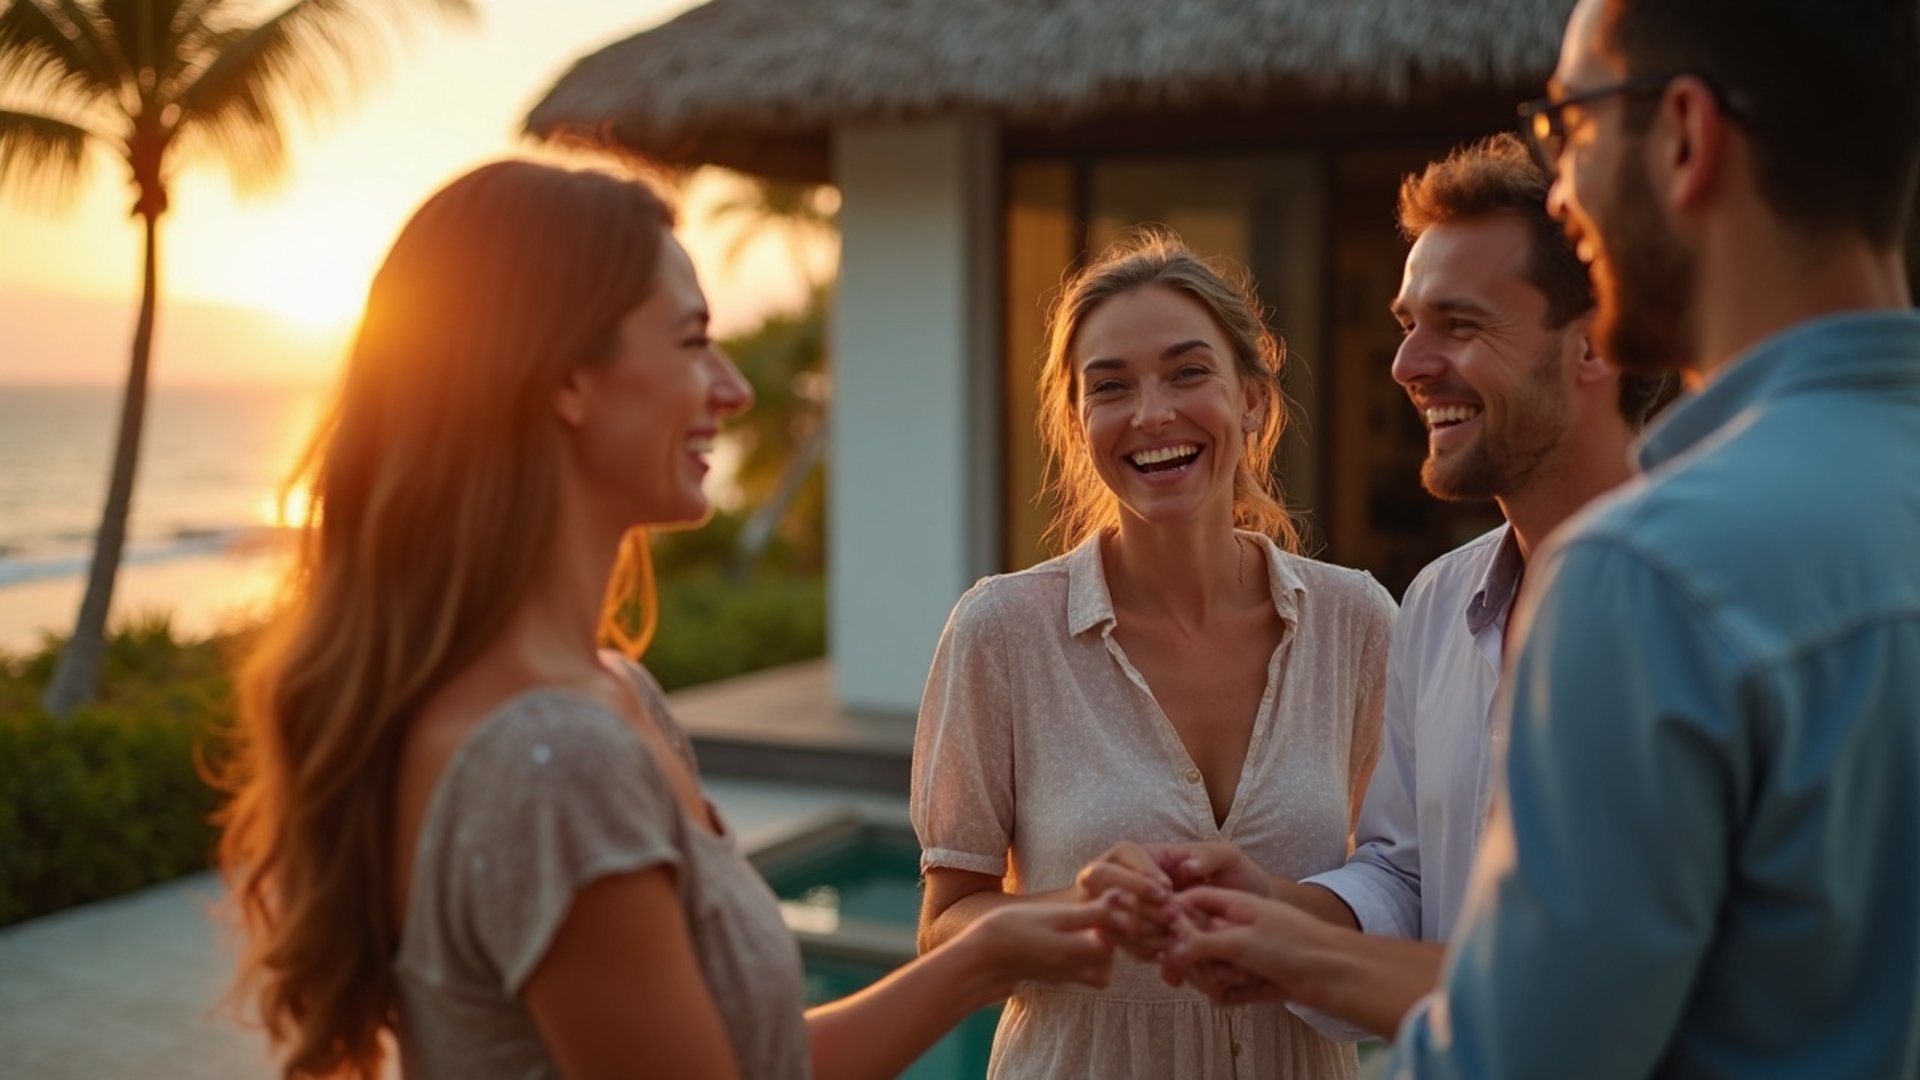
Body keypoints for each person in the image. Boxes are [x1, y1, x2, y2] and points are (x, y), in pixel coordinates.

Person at [217, 159, 1125, 1080]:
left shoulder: (616, 695)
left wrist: (984, 957)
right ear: (566, 377)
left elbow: (748, 1062)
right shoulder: (553, 760)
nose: (732, 390)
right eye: (692, 342)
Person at [1192, 0, 1920, 1074]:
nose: (1566, 188)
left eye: (1569, 126)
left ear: (1683, 134)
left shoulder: (1646, 576)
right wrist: (1294, 929)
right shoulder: (1450, 602)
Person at [1151, 133, 1672, 1038]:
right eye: (1408, 324)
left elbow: (1630, 982)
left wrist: (1306, 955)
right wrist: (1278, 911)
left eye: (1459, 325)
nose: (1407, 365)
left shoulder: (1697, 609)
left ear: (1593, 345)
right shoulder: (1435, 602)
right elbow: (1405, 874)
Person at [911, 229, 1397, 1078]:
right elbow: (943, 929)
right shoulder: (1001, 632)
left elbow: (1404, 884)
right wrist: (1080, 911)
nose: (1152, 414)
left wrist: (1278, 911)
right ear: (1078, 421)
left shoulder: (1355, 621)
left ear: (1251, 399)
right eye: (1111, 388)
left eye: (1187, 372)